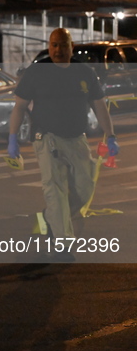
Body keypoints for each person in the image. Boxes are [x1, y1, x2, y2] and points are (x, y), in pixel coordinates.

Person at [8, 28, 119, 261]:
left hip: (77, 138)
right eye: (53, 45)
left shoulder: (84, 72)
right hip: (46, 138)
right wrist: (13, 138)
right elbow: (19, 107)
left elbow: (99, 105)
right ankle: (62, 246)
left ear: (72, 47)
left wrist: (110, 135)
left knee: (85, 187)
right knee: (55, 190)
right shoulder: (37, 72)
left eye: (62, 45)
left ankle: (51, 218)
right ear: (49, 47)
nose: (57, 50)